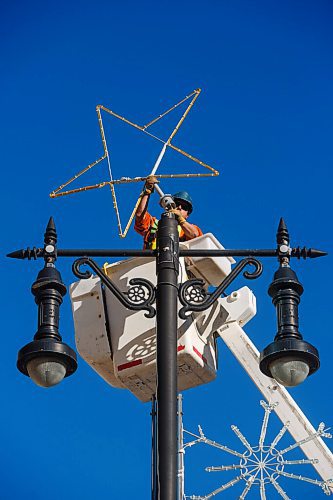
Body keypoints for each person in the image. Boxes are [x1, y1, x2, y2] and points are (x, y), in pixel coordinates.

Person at [134, 175, 203, 249]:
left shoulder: (188, 230)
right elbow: (140, 215)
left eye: (184, 207)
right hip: (152, 260)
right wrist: (147, 191)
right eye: (177, 204)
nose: (179, 207)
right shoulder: (154, 225)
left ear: (187, 215)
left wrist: (180, 220)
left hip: (177, 260)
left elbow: (195, 235)